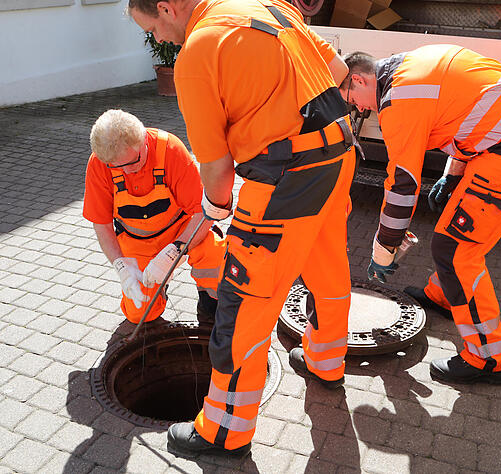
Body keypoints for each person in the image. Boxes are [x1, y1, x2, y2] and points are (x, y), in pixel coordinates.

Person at [129, 0, 357, 458]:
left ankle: (224, 430)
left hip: (286, 178)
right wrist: (275, 107)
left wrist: (214, 210)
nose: (157, 37)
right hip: (339, 152)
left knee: (243, 302)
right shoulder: (265, 5)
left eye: (150, 25)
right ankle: (326, 361)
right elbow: (336, 71)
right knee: (327, 264)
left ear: (167, 8)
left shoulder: (196, 53)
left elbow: (216, 171)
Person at [339, 46, 501, 385]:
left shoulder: (399, 101)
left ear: (358, 79)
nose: (357, 108)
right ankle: (445, 295)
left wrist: (384, 249)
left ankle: (489, 358)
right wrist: (452, 172)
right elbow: (466, 114)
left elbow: (402, 183)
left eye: (351, 99)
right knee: (454, 234)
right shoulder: (408, 65)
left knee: (456, 250)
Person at [82, 109, 226, 325]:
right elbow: (101, 223)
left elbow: (203, 212)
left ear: (144, 142)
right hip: (137, 242)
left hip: (184, 231)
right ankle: (158, 290)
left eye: (133, 162)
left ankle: (210, 307)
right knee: (139, 311)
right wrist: (121, 265)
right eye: (118, 167)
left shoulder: (169, 149)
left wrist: (176, 249)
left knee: (215, 257)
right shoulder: (100, 163)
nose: (127, 171)